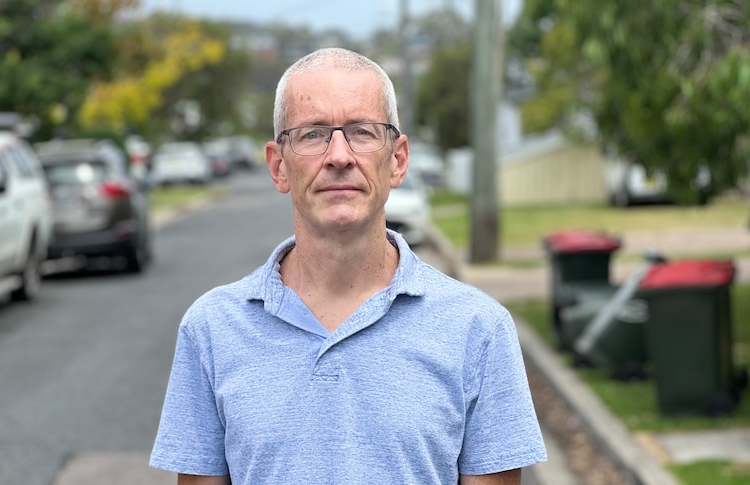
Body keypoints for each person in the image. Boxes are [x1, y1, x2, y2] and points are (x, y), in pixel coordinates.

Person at [150, 47, 547, 485]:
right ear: (278, 166)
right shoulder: (211, 329)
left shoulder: (479, 328)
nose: (339, 155)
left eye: (361, 131)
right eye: (313, 134)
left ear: (397, 160)